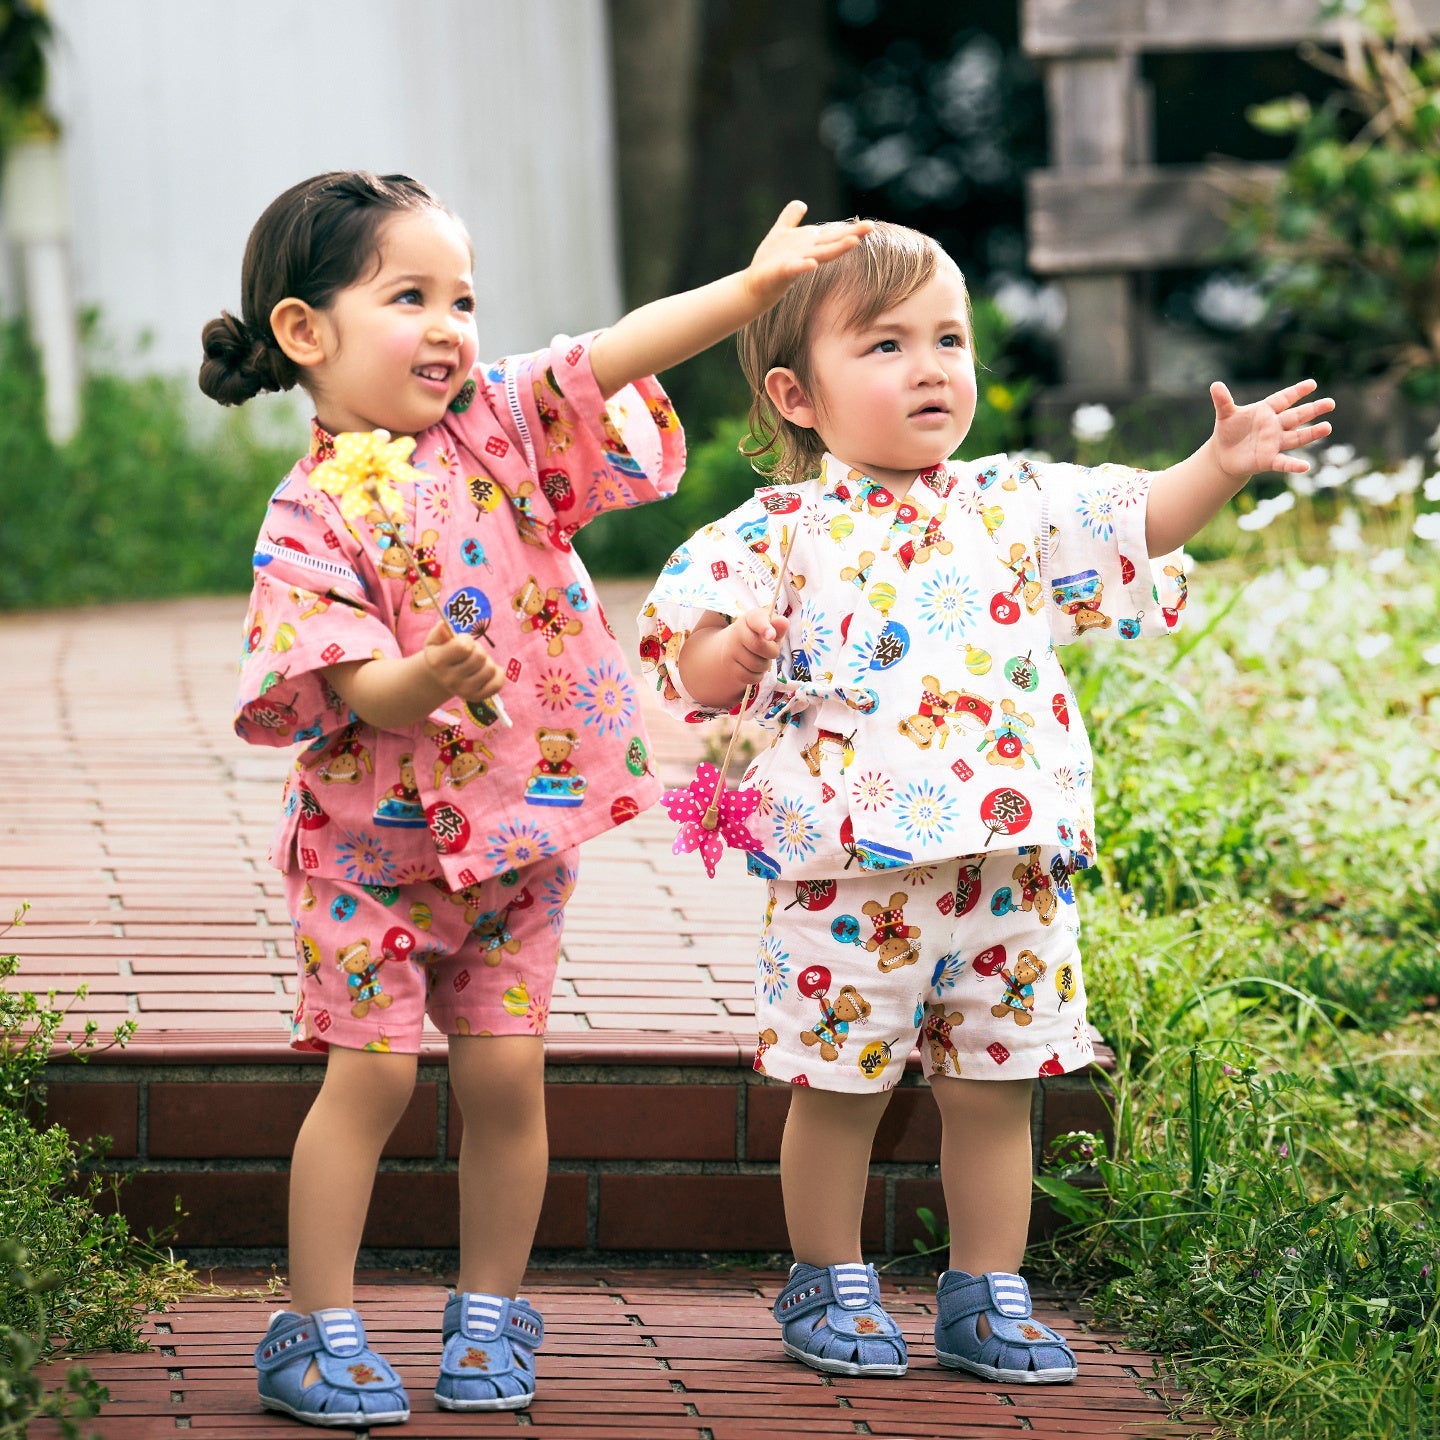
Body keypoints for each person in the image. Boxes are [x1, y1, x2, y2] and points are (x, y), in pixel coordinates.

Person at [201, 170, 869, 1427]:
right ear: (305, 331)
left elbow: (605, 358)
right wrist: (423, 676)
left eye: (464, 295)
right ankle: (315, 1325)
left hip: (518, 842)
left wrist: (749, 290)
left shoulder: (500, 427)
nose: (453, 324)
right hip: (367, 860)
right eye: (411, 295)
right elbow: (345, 680)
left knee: (508, 1082)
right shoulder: (307, 514)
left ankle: (491, 1311)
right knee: (375, 1082)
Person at [638, 220, 1332, 1384]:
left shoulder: (1014, 499)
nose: (931, 366)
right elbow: (694, 672)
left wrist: (1218, 463)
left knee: (996, 1091)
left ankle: (986, 1289)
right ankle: (828, 1275)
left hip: (1009, 868)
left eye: (950, 339)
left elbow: (1135, 522)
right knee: (839, 1086)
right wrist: (735, 644)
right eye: (887, 343)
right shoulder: (781, 529)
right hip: (853, 877)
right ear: (796, 395)